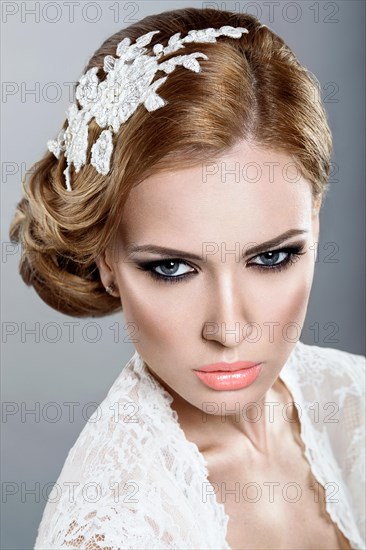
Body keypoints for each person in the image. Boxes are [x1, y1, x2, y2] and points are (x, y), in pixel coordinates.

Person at [9, 6, 365, 550]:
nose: (228, 329)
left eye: (271, 258)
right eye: (172, 267)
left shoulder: (353, 399)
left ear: (314, 222)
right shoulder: (114, 529)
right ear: (107, 259)